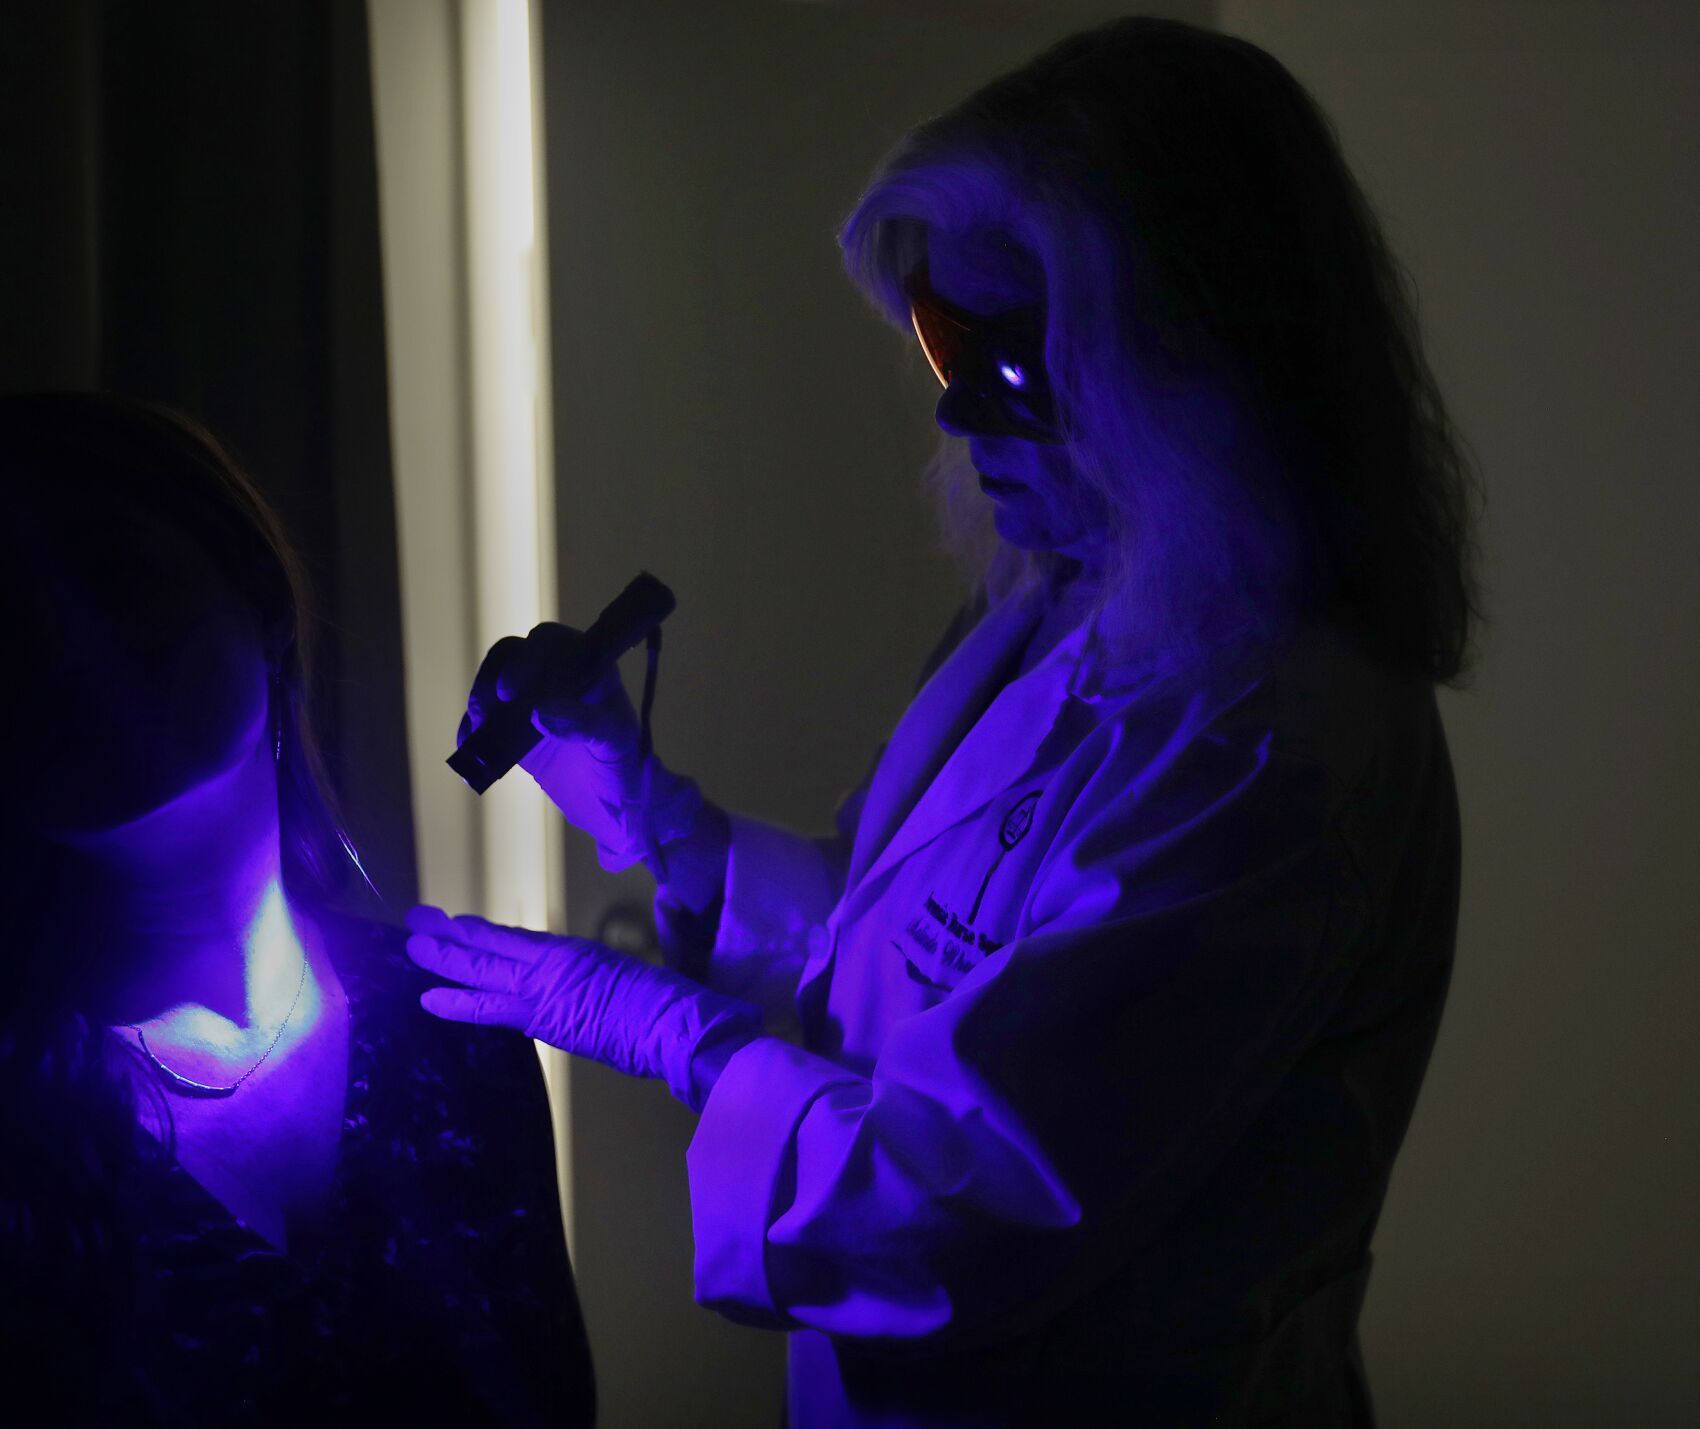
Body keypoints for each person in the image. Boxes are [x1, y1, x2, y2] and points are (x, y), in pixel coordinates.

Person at [410, 17, 1479, 1427]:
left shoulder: (1278, 745)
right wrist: (650, 810)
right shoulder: (1075, 602)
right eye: (940, 340)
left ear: (1197, 352)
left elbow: (958, 1213)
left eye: (1016, 360)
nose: (964, 412)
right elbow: (914, 955)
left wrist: (672, 1035)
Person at [0, 393, 594, 1427]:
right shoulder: (21, 1110)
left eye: (111, 577)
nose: (67, 647)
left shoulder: (456, 1032)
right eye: (4, 624)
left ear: (258, 594)